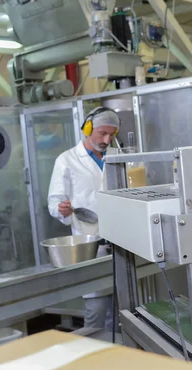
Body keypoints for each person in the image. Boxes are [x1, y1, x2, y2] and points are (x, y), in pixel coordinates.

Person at [48, 107, 120, 332]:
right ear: (88, 129)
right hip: (91, 245)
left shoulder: (118, 157)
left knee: (120, 312)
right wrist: (62, 209)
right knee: (96, 311)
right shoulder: (67, 161)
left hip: (120, 242)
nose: (106, 140)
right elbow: (54, 203)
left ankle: (118, 361)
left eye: (111, 135)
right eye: (102, 133)